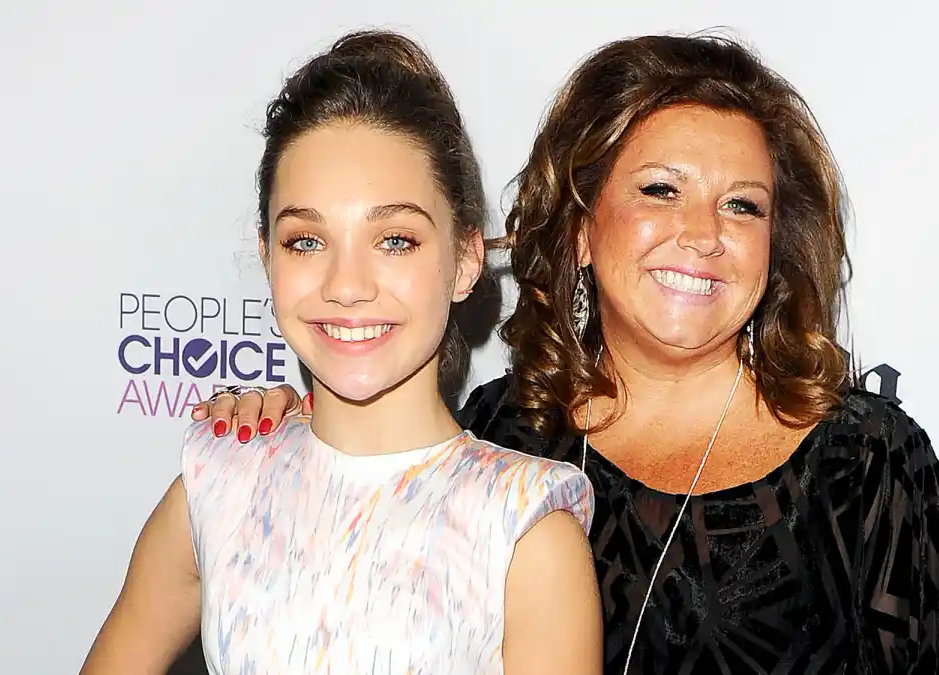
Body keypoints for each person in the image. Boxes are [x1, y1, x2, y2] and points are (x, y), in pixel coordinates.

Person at [195, 33, 939, 674]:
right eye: (660, 189)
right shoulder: (503, 435)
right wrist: (290, 435)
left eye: (742, 204)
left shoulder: (870, 467)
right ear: (584, 227)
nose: (702, 235)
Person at [80, 30, 602, 675]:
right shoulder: (218, 482)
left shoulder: (524, 528)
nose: (346, 286)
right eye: (306, 241)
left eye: (395, 240)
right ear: (267, 255)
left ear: (466, 260)